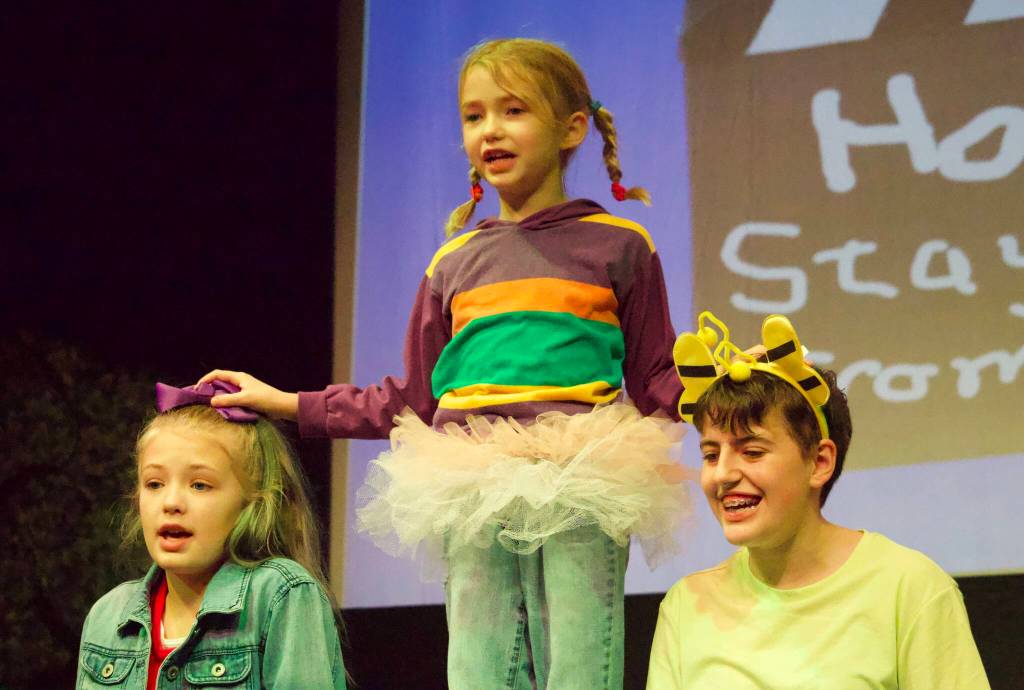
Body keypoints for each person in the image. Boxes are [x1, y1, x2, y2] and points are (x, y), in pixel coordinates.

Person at [198, 37, 689, 690]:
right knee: (477, 669)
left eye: (513, 110)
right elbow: (410, 397)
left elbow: (660, 379)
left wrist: (730, 398)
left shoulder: (621, 245)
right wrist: (286, 401)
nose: (490, 130)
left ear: (572, 127)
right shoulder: (453, 262)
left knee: (578, 664)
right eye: (473, 115)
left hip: (581, 473)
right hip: (470, 475)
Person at [646, 312, 990, 689]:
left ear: (819, 462)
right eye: (711, 454)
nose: (723, 474)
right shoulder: (686, 606)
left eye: (752, 452)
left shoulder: (908, 588)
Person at [77, 381, 347, 689]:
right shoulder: (109, 615)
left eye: (199, 485)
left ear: (251, 501)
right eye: (154, 484)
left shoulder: (278, 596)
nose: (171, 503)